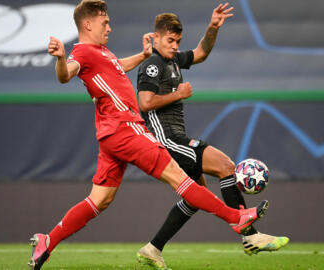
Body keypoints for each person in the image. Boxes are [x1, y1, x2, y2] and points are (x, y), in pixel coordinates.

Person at [28, 1, 269, 269]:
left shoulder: (101, 53)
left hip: (109, 135)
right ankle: (235, 218)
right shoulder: (82, 53)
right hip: (125, 127)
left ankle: (48, 241)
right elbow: (65, 75)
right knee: (180, 177)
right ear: (87, 24)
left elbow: (116, 66)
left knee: (100, 199)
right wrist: (61, 59)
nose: (110, 27)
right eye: (104, 22)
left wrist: (141, 55)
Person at [135, 3, 289, 269]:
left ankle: (153, 248)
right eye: (170, 40)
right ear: (156, 37)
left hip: (176, 136)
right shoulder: (152, 64)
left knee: (196, 196)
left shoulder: (173, 60)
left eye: (177, 41)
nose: (174, 46)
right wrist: (178, 94)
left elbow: (202, 52)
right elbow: (145, 103)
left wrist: (212, 28)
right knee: (226, 166)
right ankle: (251, 236)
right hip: (165, 139)